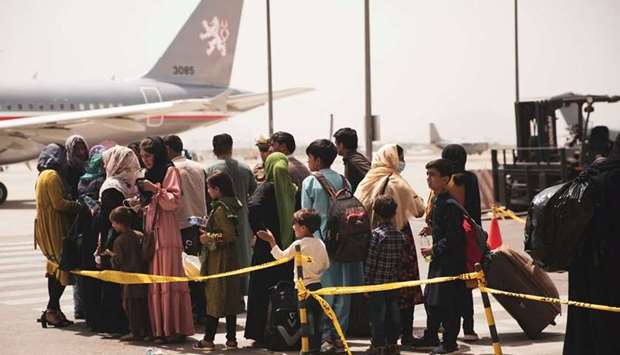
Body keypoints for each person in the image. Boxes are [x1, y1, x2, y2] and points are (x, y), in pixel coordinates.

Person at [355, 144, 425, 345]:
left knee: (378, 295)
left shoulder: (366, 180)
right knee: (404, 289)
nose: (402, 163)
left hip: (372, 237)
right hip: (400, 238)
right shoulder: (398, 182)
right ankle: (405, 334)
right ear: (393, 159)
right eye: (400, 158)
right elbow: (419, 209)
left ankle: (380, 337)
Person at [301, 139, 362, 353]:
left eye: (309, 157)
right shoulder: (345, 181)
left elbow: (304, 219)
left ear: (317, 159)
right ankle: (339, 334)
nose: (308, 162)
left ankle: (326, 335)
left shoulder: (310, 182)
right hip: (345, 243)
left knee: (325, 290)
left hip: (321, 245)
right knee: (343, 290)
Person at [563, 135, 620, 355]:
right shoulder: (613, 179)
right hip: (608, 261)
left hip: (583, 260)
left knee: (585, 321)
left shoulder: (591, 175)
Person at [139, 136, 194, 343]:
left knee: (169, 280)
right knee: (157, 282)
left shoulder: (170, 170)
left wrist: (155, 189)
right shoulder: (149, 173)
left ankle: (173, 329)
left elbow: (173, 202)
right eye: (142, 156)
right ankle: (160, 329)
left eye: (149, 155)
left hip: (168, 232)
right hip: (153, 232)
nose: (145, 160)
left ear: (158, 154)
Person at [257, 209, 330, 354]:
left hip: (303, 290)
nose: (292, 227)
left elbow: (281, 257)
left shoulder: (299, 245)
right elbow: (325, 265)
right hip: (318, 287)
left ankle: (306, 349)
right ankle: (316, 347)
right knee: (317, 321)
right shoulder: (320, 244)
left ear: (303, 227)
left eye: (294, 224)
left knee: (305, 322)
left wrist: (271, 240)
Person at [413, 159, 466, 355]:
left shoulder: (450, 204)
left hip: (449, 263)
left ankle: (450, 342)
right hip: (439, 261)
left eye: (432, 175)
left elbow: (453, 238)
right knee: (432, 300)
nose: (428, 179)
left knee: (448, 303)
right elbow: (443, 229)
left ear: (445, 179)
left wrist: (433, 250)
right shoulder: (437, 201)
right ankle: (431, 335)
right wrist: (431, 229)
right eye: (427, 175)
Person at [245, 152, 296, 346]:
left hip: (266, 248)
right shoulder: (292, 188)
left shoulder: (266, 187)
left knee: (262, 290)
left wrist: (260, 230)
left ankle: (260, 331)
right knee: (283, 289)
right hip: (285, 248)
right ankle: (281, 330)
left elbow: (253, 205)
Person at [192, 171, 244, 350]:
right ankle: (231, 339)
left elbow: (226, 235)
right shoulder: (230, 206)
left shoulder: (221, 209)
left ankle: (208, 339)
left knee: (214, 299)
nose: (207, 191)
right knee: (229, 298)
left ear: (217, 189)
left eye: (209, 187)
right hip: (230, 259)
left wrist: (208, 236)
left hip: (219, 261)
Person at [95, 145, 142, 334]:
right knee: (116, 284)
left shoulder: (120, 185)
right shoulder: (118, 186)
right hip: (121, 241)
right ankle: (116, 323)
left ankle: (122, 322)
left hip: (122, 240)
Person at [34, 143, 81, 328]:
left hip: (47, 226)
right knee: (62, 267)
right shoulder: (52, 176)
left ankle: (53, 310)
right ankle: (51, 310)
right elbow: (59, 204)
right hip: (55, 227)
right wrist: (79, 206)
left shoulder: (41, 176)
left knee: (54, 268)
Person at [163, 134, 208, 321]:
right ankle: (202, 309)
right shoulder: (198, 167)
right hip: (199, 222)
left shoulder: (172, 169)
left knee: (186, 270)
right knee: (198, 267)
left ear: (168, 149)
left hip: (182, 224)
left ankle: (194, 311)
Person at [205, 133, 257, 295]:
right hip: (242, 221)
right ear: (231, 147)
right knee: (242, 256)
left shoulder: (210, 170)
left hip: (219, 222)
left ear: (214, 149)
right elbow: (254, 194)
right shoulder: (245, 168)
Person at [440, 144, 481, 341]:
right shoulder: (471, 178)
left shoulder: (450, 182)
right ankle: (470, 328)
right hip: (472, 235)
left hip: (455, 235)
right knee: (467, 283)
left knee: (451, 284)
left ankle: (447, 325)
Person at [365, 195, 406, 355]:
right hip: (393, 282)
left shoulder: (376, 235)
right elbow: (400, 262)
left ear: (376, 213)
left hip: (377, 284)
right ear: (394, 213)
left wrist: (366, 284)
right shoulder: (399, 235)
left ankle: (377, 345)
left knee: (377, 317)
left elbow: (371, 261)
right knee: (392, 314)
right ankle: (392, 343)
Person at [106, 206, 151, 341]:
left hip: (128, 278)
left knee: (130, 306)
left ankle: (135, 331)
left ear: (119, 223)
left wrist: (111, 256)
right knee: (143, 306)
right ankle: (145, 330)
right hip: (143, 276)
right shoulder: (139, 235)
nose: (112, 226)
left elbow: (118, 261)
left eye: (113, 223)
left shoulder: (119, 241)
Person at [63, 135, 89, 318]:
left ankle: (84, 306)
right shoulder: (67, 170)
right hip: (74, 222)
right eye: (77, 149)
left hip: (86, 222)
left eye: (83, 148)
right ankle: (79, 308)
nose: (81, 152)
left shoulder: (88, 168)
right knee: (77, 267)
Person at [270, 131, 310, 208]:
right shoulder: (301, 166)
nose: (270, 149)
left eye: (273, 145)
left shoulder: (282, 168)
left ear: (283, 146)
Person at [333, 127, 371, 192]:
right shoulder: (353, 158)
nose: (335, 147)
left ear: (341, 145)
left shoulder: (354, 161)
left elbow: (373, 176)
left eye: (336, 144)